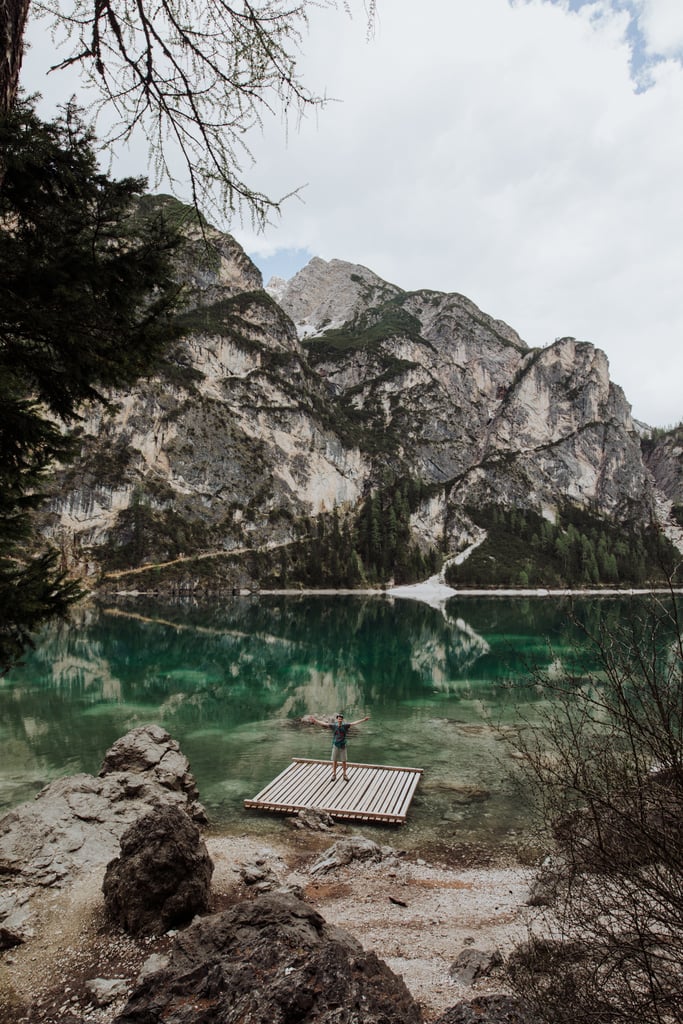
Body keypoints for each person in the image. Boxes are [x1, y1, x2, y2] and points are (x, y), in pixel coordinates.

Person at [310, 712, 370, 781]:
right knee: (334, 760)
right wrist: (315, 720)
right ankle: (334, 774)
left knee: (344, 761)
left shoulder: (345, 726)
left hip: (343, 746)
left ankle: (344, 774)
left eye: (341, 719)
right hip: (336, 745)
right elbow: (324, 724)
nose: (340, 720)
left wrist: (363, 720)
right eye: (339, 719)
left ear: (342, 720)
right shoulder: (334, 726)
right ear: (337, 719)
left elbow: (354, 723)